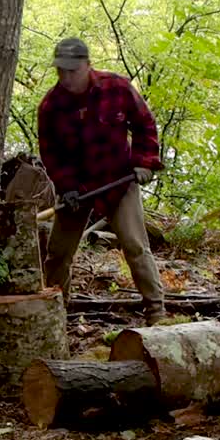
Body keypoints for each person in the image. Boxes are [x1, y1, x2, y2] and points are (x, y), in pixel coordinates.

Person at [36, 37, 166, 325]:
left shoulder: (116, 87)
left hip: (118, 180)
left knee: (135, 246)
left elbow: (145, 124)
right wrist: (67, 187)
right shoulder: (50, 107)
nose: (66, 77)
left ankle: (156, 312)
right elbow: (51, 154)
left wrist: (144, 161)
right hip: (77, 189)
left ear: (87, 65)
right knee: (58, 254)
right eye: (61, 70)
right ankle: (55, 314)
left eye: (72, 70)